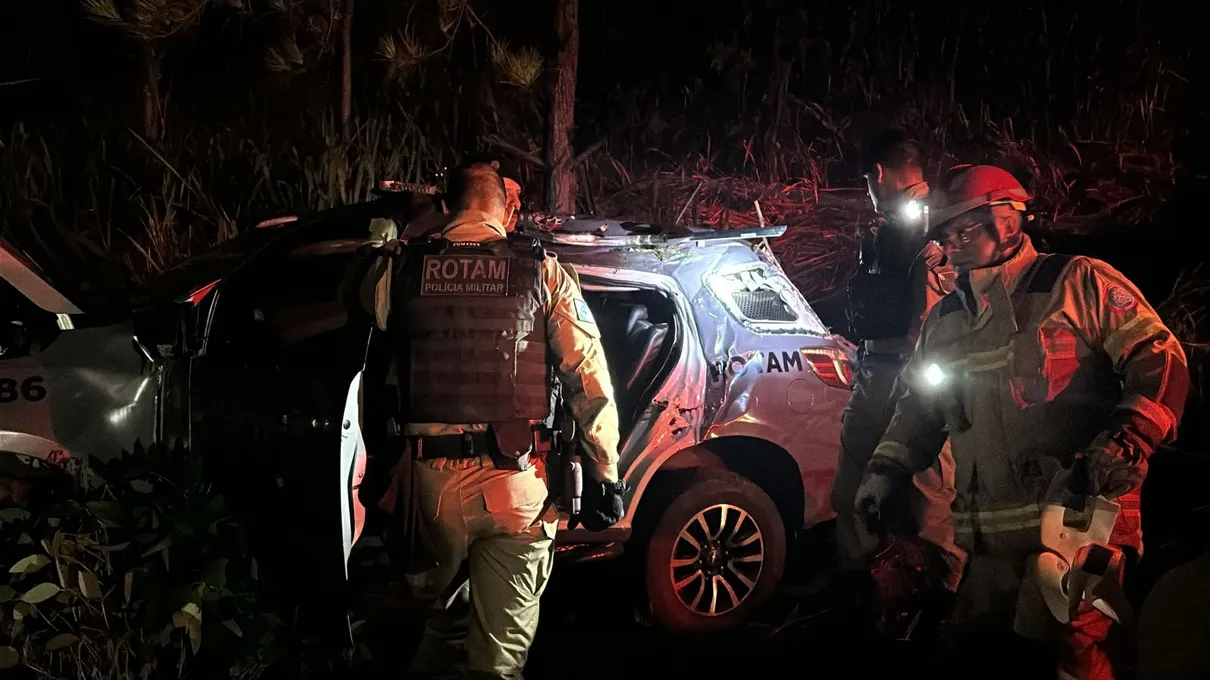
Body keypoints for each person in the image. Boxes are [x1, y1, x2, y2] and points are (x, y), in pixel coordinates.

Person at [854, 164, 1189, 679]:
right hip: (987, 553)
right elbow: (916, 412)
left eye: (963, 230)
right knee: (991, 657)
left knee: (1078, 656)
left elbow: (1159, 357)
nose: (951, 246)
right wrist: (883, 474)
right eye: (945, 235)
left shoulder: (1078, 284)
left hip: (1078, 532)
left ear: (1007, 222)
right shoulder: (944, 323)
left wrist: (1131, 437)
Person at [357, 161, 626, 679]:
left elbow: (360, 300)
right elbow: (588, 377)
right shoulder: (542, 271)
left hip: (430, 491)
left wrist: (383, 235)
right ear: (503, 209)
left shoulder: (404, 269)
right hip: (513, 487)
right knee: (497, 660)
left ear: (446, 206)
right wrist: (605, 471)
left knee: (445, 623)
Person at [831, 129, 966, 635]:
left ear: (879, 175)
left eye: (867, 181)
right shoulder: (889, 233)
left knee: (929, 495)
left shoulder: (939, 227)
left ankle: (941, 603)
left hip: (918, 382)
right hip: (876, 371)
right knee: (854, 490)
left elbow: (939, 324)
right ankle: (863, 588)